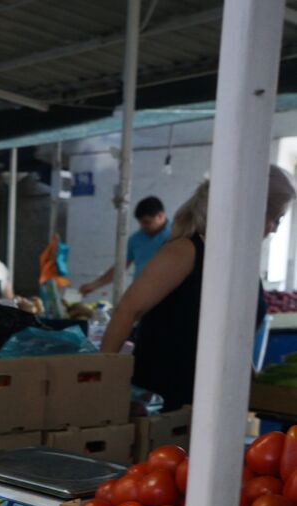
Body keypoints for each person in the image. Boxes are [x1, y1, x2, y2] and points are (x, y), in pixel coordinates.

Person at [101, 166, 296, 411]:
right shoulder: (186, 251)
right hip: (168, 403)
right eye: (275, 219)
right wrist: (100, 379)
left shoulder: (242, 265)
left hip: (216, 402)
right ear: (252, 209)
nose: (275, 229)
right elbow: (127, 310)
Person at [79, 196, 171, 296]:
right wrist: (94, 285)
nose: (142, 226)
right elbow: (120, 267)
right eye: (140, 223)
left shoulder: (177, 235)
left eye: (147, 222)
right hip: (142, 294)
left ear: (160, 216)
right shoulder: (135, 239)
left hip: (168, 294)